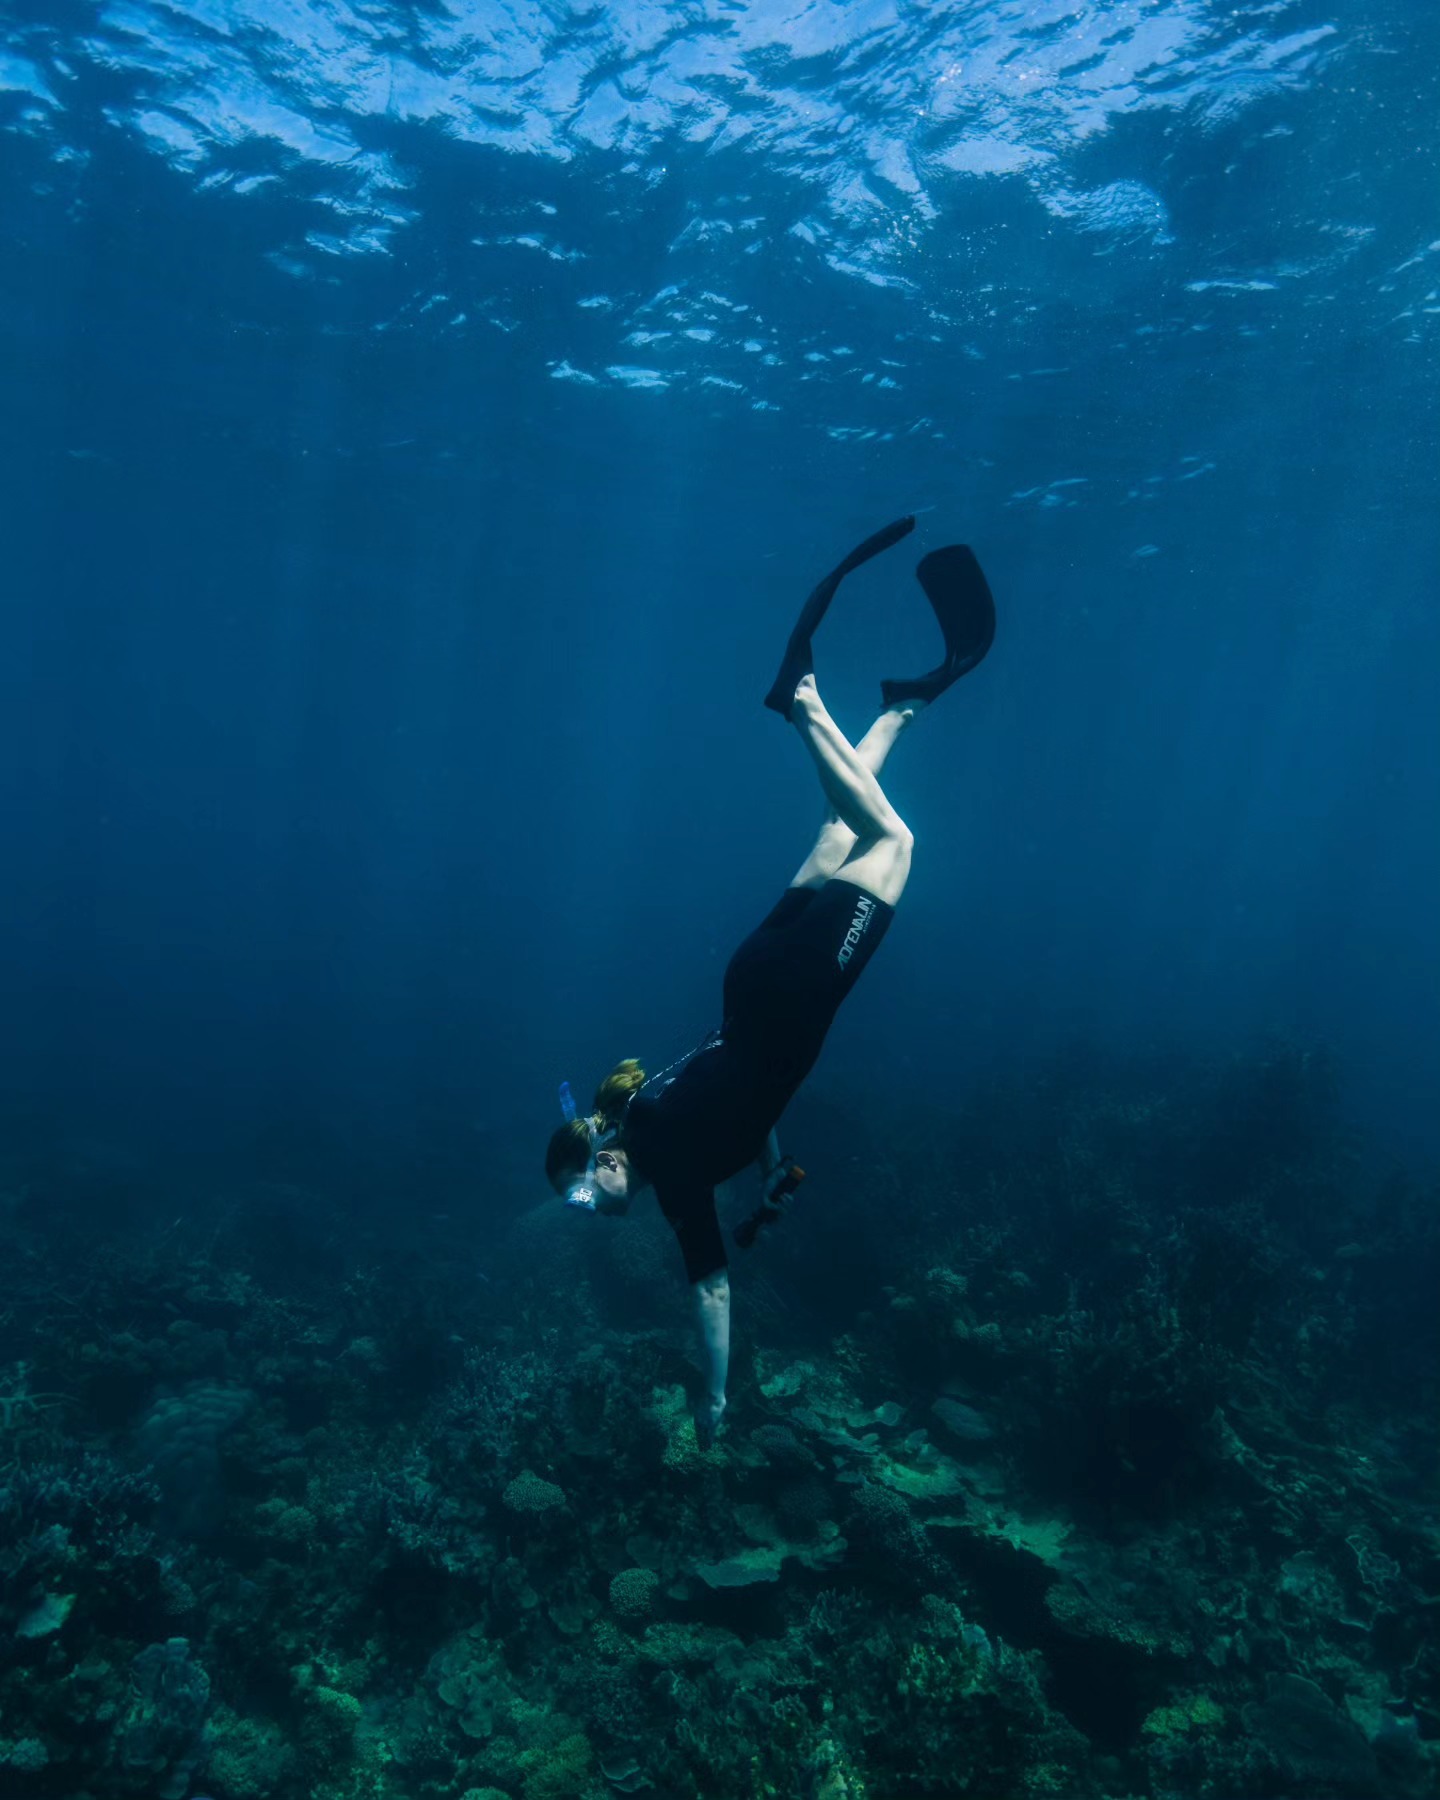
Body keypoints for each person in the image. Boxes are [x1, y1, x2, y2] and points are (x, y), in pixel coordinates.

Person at [545, 516, 995, 1447]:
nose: (597, 1200)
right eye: (583, 1207)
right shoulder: (650, 1127)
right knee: (840, 835)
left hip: (793, 992)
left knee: (893, 842)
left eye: (586, 1185)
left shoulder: (665, 1167)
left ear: (599, 1155)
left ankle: (801, 700)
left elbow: (710, 1296)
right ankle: (906, 703)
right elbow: (737, 1098)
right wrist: (764, 1157)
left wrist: (712, 1405)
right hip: (753, 983)